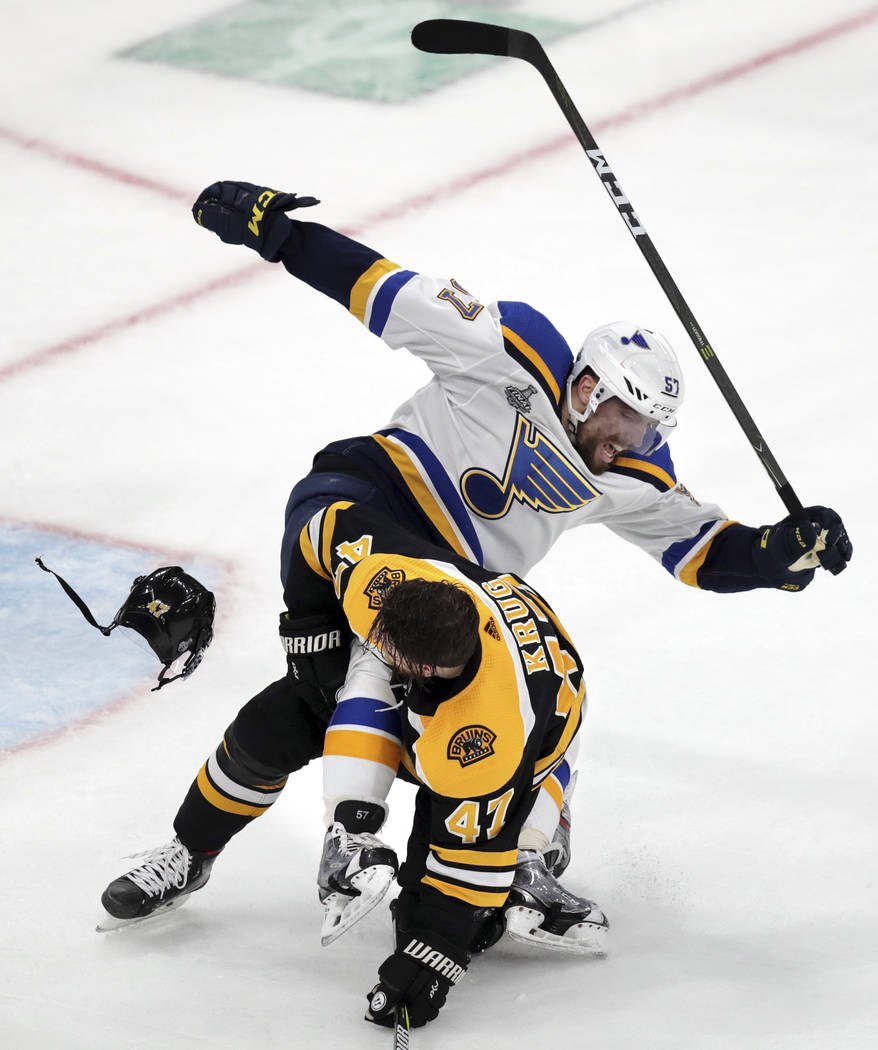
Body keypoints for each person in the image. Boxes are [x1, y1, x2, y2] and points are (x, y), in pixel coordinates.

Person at [99, 180, 852, 942]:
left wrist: (778, 550)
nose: (634, 442)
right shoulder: (511, 349)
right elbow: (382, 290)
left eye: (651, 429)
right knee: (361, 689)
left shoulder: (631, 474)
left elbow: (702, 550)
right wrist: (283, 237)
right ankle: (242, 846)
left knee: (338, 718)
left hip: (447, 609)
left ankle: (516, 856)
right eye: (627, 419)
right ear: (587, 389)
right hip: (371, 506)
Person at [296, 500, 603, 1028]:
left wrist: (430, 963)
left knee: (447, 887)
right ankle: (349, 831)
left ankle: (532, 846)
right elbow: (321, 527)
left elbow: (467, 860)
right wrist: (304, 633)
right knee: (365, 670)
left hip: (546, 722)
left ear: (427, 668)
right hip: (499, 638)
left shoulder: (486, 735)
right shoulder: (384, 581)